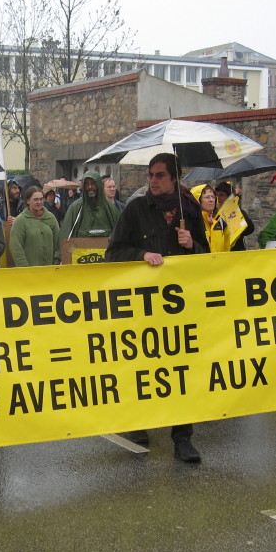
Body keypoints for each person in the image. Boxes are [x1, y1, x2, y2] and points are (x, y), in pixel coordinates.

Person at [106, 152, 208, 462]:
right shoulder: (136, 209)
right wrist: (141, 254)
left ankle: (183, 437)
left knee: (181, 372)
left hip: (179, 308)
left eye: (160, 175)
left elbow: (208, 261)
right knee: (143, 367)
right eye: (150, 175)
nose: (152, 180)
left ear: (176, 178)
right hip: (143, 306)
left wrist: (193, 246)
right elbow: (113, 253)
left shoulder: (189, 211)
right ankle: (140, 423)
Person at [59, 169, 120, 242]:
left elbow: (120, 234)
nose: (90, 187)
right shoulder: (76, 208)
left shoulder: (110, 209)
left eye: (93, 183)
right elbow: (65, 235)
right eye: (87, 184)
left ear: (99, 185)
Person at [9, 186, 60, 267]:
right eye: (35, 199)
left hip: (50, 271)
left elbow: (58, 242)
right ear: (28, 201)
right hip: (29, 272)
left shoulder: (51, 218)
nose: (39, 202)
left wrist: (56, 262)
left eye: (41, 199)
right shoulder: (21, 220)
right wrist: (25, 269)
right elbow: (16, 247)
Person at [214, 181, 254, 250]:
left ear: (228, 197)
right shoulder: (212, 214)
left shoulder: (239, 212)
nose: (218, 198)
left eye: (221, 195)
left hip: (236, 250)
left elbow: (250, 229)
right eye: (216, 195)